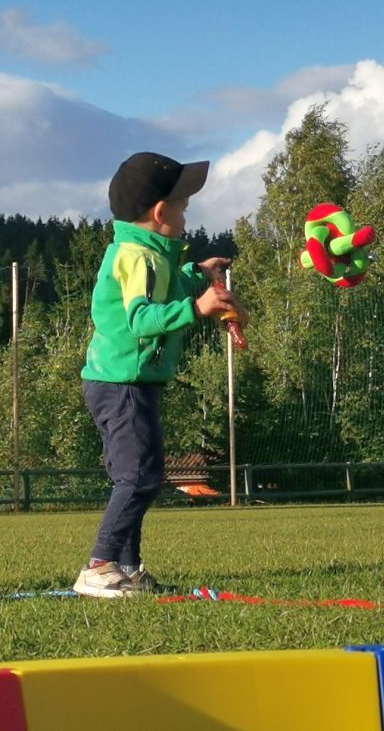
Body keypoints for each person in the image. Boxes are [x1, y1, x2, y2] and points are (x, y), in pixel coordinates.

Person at [74, 151, 246, 598]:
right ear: (160, 212)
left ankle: (127, 569)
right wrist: (199, 307)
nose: (186, 215)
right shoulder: (138, 258)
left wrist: (199, 274)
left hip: (130, 382)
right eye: (182, 206)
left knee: (137, 476)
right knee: (140, 478)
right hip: (121, 385)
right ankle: (99, 566)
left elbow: (168, 287)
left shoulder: (153, 256)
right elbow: (141, 319)